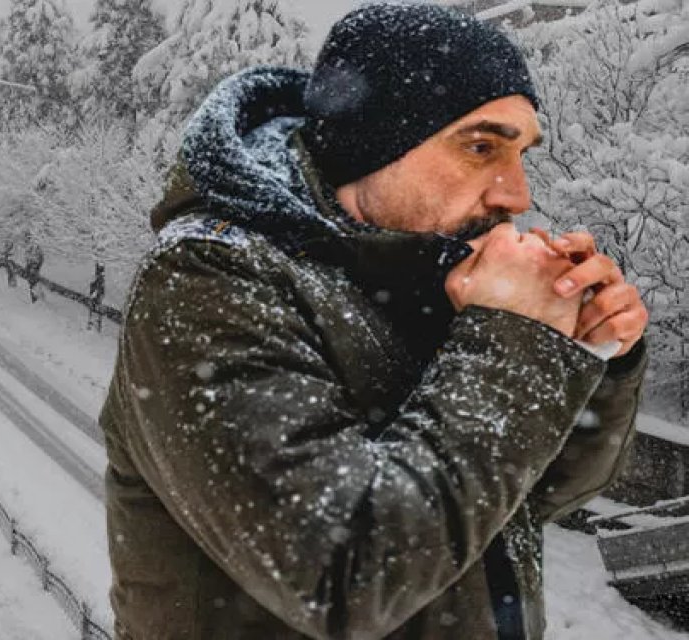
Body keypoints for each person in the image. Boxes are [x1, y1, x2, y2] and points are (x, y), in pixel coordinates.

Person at [99, 5, 649, 640]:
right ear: (376, 142)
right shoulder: (207, 279)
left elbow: (529, 497)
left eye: (522, 153)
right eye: (481, 147)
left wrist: (590, 354)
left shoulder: (427, 270)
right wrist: (512, 339)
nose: (516, 194)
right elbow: (345, 574)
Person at [86, 262, 105, 332]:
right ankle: (100, 267)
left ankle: (100, 267)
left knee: (95, 306)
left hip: (96, 296)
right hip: (96, 296)